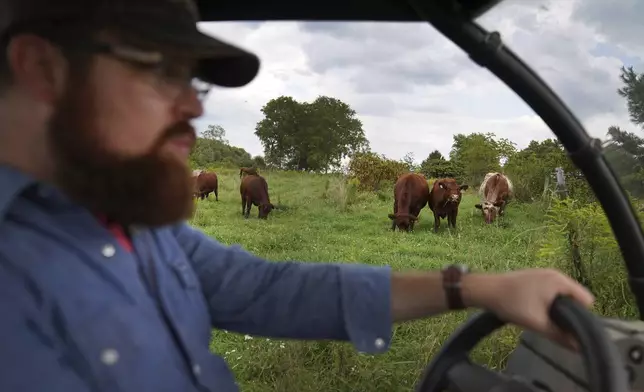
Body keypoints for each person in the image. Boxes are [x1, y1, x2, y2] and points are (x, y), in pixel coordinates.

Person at [0, 0, 594, 391]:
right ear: (43, 69)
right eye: (161, 74)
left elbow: (270, 288)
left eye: (192, 79)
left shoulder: (134, 228)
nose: (194, 108)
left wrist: (475, 287)